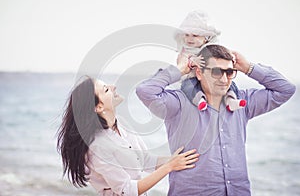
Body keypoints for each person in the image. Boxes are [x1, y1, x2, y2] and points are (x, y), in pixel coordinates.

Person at [136, 44, 296, 195]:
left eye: (229, 72)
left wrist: (248, 68)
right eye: (217, 72)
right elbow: (145, 91)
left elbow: (285, 90)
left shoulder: (242, 103)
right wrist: (180, 70)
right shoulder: (178, 104)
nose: (225, 80)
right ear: (199, 73)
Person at [56, 77, 199, 196]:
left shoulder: (121, 124)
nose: (113, 87)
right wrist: (169, 166)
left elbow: (145, 161)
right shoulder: (97, 146)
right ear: (99, 107)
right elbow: (126, 190)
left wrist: (182, 158)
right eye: (106, 89)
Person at [175, 10, 246, 111]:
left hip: (210, 78)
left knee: (229, 83)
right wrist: (193, 61)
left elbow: (222, 52)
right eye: (186, 35)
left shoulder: (211, 47)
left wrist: (231, 55)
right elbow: (182, 61)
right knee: (188, 87)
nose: (189, 39)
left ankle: (231, 100)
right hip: (192, 78)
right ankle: (200, 101)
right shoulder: (186, 50)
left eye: (195, 35)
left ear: (206, 38)